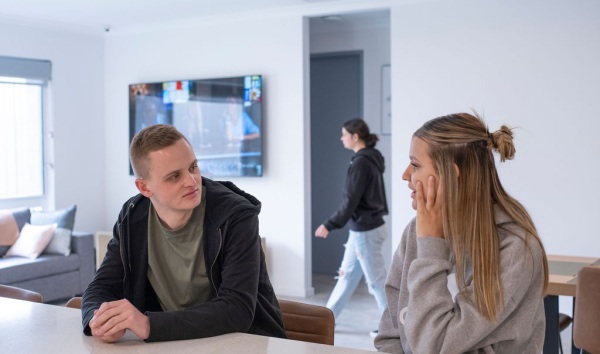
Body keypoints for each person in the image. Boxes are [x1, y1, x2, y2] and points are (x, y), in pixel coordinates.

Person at [81, 124, 286, 343]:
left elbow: (237, 308)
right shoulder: (132, 217)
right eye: (174, 176)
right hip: (175, 343)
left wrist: (149, 325)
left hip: (243, 342)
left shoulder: (235, 215)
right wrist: (99, 322)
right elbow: (101, 287)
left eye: (193, 167)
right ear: (144, 188)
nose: (191, 181)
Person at [375, 113, 548, 353]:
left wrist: (431, 246)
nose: (406, 175)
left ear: (450, 176)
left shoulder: (516, 247)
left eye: (415, 165)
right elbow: (389, 336)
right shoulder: (414, 233)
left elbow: (434, 348)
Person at [314, 118, 389, 335]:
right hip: (362, 230)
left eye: (344, 134)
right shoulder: (370, 160)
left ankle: (392, 327)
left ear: (355, 136)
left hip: (366, 231)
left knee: (376, 283)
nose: (341, 138)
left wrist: (330, 224)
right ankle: (323, 322)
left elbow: (350, 201)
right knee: (346, 278)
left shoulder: (361, 163)